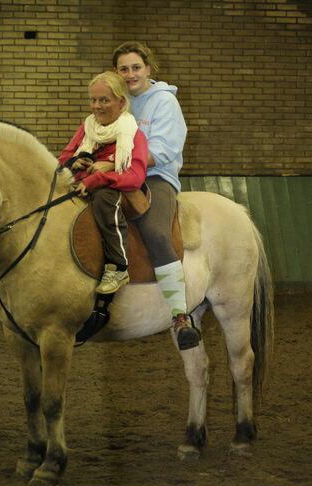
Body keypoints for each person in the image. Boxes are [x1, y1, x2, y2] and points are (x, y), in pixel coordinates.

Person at [112, 41, 200, 350]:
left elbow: (164, 149)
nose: (131, 74)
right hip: (119, 176)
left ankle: (180, 316)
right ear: (116, 72)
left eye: (136, 67)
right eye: (124, 69)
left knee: (155, 231)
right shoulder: (117, 102)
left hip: (156, 177)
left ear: (148, 69)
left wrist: (126, 163)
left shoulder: (165, 103)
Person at [59, 71, 148, 295]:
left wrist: (99, 178)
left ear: (121, 102)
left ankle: (118, 267)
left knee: (105, 200)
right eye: (93, 100)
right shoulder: (87, 128)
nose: (97, 106)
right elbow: (63, 159)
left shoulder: (134, 135)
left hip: (112, 189)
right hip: (80, 185)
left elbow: (135, 176)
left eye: (104, 100)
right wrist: (74, 162)